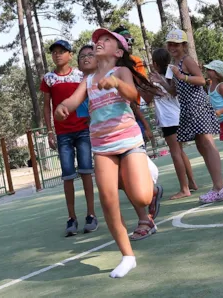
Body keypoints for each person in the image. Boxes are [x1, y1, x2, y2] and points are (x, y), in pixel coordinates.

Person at [55, 28, 158, 278]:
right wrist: (63, 106)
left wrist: (116, 83)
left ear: (118, 51)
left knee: (142, 197)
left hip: (128, 140)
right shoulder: (88, 81)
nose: (99, 43)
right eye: (97, 40)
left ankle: (151, 180)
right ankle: (127, 256)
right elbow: (74, 100)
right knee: (109, 202)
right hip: (101, 147)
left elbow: (134, 95)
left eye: (106, 40)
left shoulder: (120, 71)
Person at [164, 29, 223, 204]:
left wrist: (181, 76)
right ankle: (217, 187)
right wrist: (160, 81)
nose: (172, 47)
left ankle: (220, 187)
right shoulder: (173, 64)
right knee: (202, 146)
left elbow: (201, 80)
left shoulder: (187, 61)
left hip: (197, 105)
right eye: (170, 44)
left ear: (184, 46)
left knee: (208, 144)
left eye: (176, 44)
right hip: (187, 108)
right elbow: (173, 91)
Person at [41, 39, 98, 236]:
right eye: (54, 52)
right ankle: (71, 218)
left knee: (86, 172)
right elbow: (46, 106)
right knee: (67, 176)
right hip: (62, 133)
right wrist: (49, 131)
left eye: (62, 51)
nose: (58, 55)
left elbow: (90, 97)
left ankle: (91, 214)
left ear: (70, 55)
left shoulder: (81, 74)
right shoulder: (48, 78)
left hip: (83, 130)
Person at [149, 48, 199, 199]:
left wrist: (158, 82)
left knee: (175, 152)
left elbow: (172, 91)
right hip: (176, 115)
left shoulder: (165, 74)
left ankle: (184, 188)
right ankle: (191, 183)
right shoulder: (170, 71)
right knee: (180, 151)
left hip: (169, 118)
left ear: (156, 63)